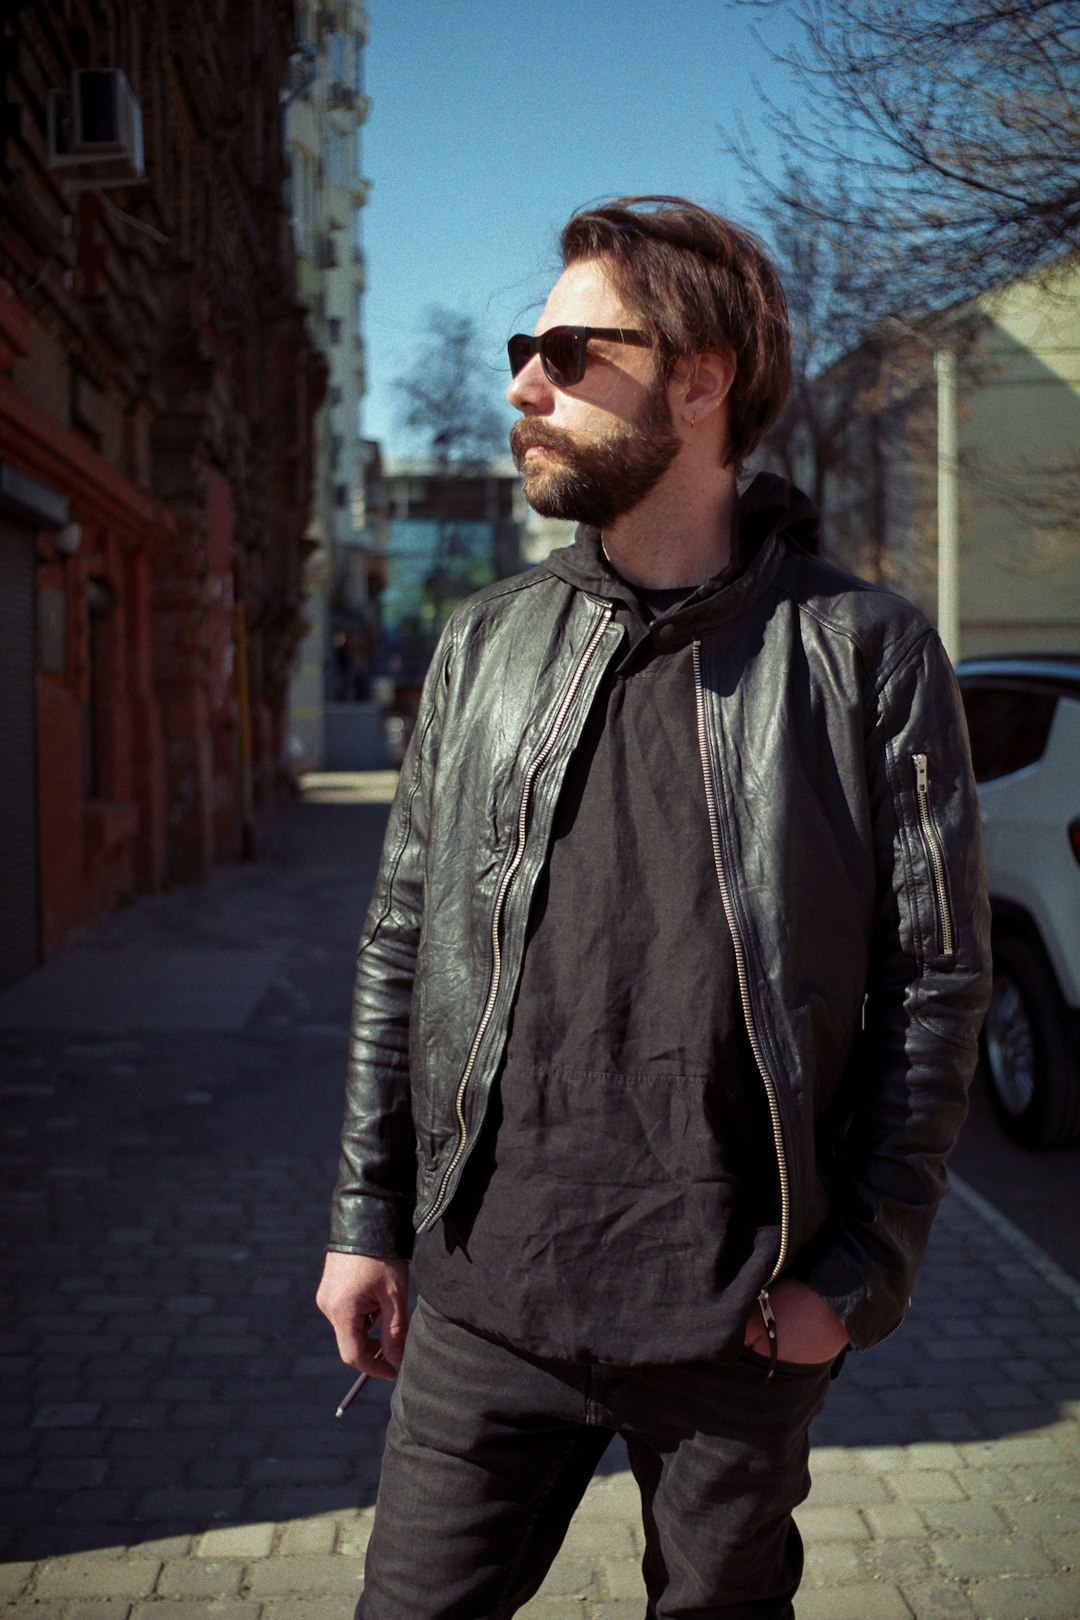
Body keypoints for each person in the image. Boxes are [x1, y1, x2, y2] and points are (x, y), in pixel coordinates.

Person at [317, 195, 991, 1620]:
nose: (524, 385)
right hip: (486, 1305)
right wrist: (365, 1222)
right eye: (523, 349)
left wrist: (853, 1278)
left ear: (701, 381)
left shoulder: (862, 655)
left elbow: (937, 982)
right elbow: (401, 940)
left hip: (737, 1320)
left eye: (568, 351)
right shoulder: (486, 645)